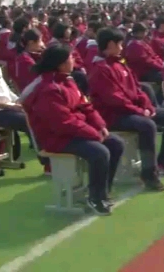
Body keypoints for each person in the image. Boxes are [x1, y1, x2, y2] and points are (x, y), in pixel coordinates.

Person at [24, 45, 124, 215]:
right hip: (56, 137)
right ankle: (95, 197)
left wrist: (100, 126)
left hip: (75, 132)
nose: (74, 60)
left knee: (115, 144)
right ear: (61, 64)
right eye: (71, 58)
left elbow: (86, 107)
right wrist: (93, 134)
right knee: (100, 152)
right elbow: (63, 123)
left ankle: (102, 191)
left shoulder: (68, 81)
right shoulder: (48, 89)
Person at [88, 28, 164, 191]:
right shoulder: (100, 69)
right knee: (147, 125)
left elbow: (138, 90)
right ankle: (149, 174)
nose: (121, 47)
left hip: (131, 110)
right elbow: (114, 99)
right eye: (119, 44)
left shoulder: (120, 64)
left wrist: (146, 106)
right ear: (110, 45)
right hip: (113, 116)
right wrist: (140, 111)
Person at [12, 28, 45, 93]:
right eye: (40, 40)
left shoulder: (30, 55)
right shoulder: (24, 59)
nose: (42, 44)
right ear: (31, 42)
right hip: (29, 93)